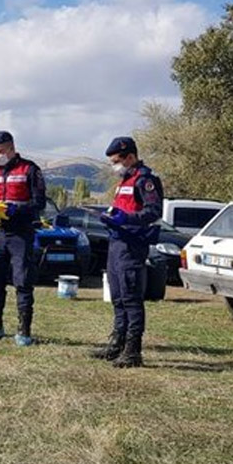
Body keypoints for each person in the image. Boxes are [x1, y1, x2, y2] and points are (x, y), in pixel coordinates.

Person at [91, 136, 163, 368]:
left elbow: (153, 211)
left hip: (132, 246)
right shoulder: (125, 181)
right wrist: (112, 218)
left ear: (130, 157)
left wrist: (127, 219)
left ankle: (133, 351)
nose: (114, 166)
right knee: (118, 297)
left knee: (131, 298)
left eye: (116, 161)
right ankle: (117, 344)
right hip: (116, 244)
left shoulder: (145, 180)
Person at [0, 131, 46, 346]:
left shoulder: (29, 169)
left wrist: (19, 209)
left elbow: (40, 202)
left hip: (21, 233)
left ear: (11, 148)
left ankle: (24, 331)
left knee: (23, 281)